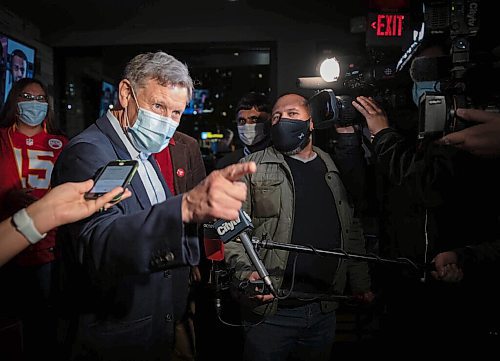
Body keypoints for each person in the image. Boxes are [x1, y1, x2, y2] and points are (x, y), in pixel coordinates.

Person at [50, 50, 256, 361]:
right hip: (117, 331)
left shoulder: (144, 153)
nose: (166, 122)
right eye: (158, 106)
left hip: (159, 321)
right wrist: (184, 208)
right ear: (125, 94)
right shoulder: (88, 154)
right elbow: (99, 245)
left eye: (176, 113)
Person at [352, 43, 500, 353]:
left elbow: (425, 184)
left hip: (460, 289)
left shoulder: (474, 133)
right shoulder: (413, 127)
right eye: (417, 71)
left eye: (432, 70)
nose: (423, 81)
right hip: (405, 281)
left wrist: (382, 135)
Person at [224, 93, 373, 361]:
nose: (283, 121)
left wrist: (361, 283)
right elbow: (231, 231)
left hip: (324, 310)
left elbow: (351, 229)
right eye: (278, 116)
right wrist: (247, 275)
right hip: (272, 313)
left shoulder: (334, 167)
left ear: (311, 123)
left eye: (292, 114)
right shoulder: (249, 167)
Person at [0, 77, 68, 361]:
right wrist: (7, 198)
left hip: (49, 250)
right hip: (7, 246)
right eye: (28, 96)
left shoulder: (62, 143)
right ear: (15, 100)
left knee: (45, 327)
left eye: (41, 99)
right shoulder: (1, 138)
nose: (35, 103)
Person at [153, 130, 206, 361]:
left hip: (179, 249)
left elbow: (199, 206)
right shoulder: (130, 141)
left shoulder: (187, 145)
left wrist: (194, 257)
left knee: (181, 318)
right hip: (142, 246)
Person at [216, 91, 272, 169]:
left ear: (269, 121)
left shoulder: (281, 160)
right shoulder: (226, 164)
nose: (247, 125)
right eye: (242, 121)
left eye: (254, 119)